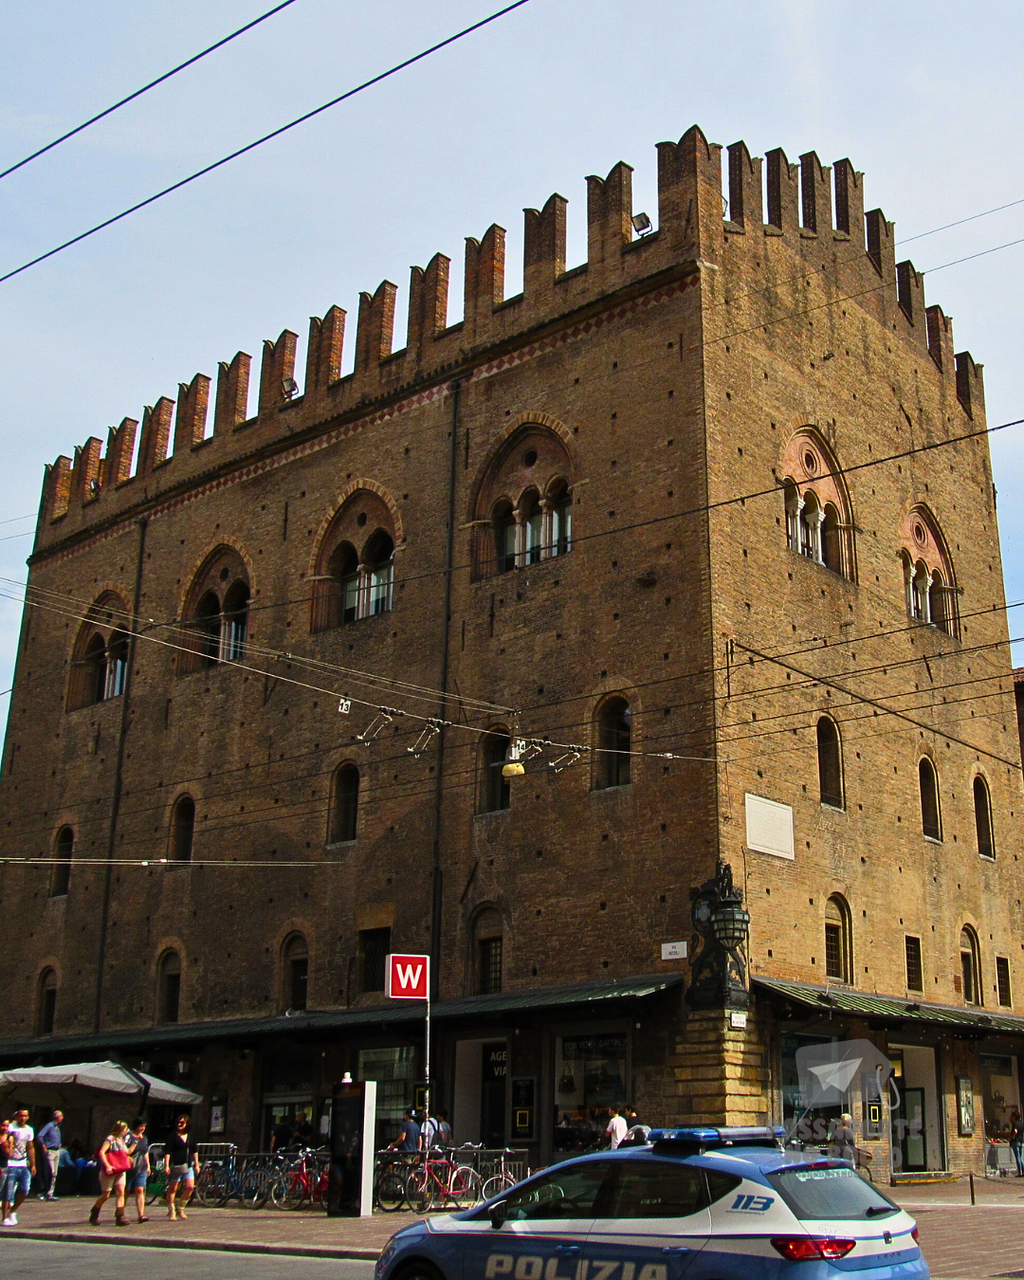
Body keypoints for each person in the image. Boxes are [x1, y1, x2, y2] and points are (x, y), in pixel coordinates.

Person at [89, 1121, 132, 1226]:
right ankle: (95, 1211)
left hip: (121, 1169)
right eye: (125, 1129)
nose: (126, 1131)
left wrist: (135, 1143)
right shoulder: (110, 1139)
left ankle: (120, 1216)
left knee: (120, 1191)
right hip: (111, 1168)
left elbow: (127, 1152)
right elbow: (101, 1152)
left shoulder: (122, 1140)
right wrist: (107, 1165)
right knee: (106, 1194)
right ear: (120, 1130)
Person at [2, 1108, 36, 1226]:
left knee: (25, 1189)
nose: (22, 1118)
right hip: (11, 1163)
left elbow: (30, 1147)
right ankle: (5, 1217)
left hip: (23, 1162)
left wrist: (33, 1164)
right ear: (17, 1117)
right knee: (8, 1191)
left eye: (25, 1116)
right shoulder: (11, 1127)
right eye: (20, 1116)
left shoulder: (29, 1130)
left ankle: (13, 1211)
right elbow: (4, 1139)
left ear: (27, 1117)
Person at [164, 1113, 198, 1221]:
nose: (179, 1124)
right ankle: (171, 1210)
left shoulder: (190, 1136)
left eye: (182, 1122)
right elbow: (168, 1152)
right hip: (176, 1165)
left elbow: (194, 1151)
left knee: (190, 1187)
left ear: (187, 1124)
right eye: (178, 1122)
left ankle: (181, 1207)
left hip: (187, 1165)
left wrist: (196, 1164)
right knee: (173, 1188)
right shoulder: (172, 1136)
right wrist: (166, 1166)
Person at [125, 1118, 151, 1222]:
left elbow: (145, 1152)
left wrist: (148, 1165)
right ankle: (120, 1212)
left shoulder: (144, 1138)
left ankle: (141, 1215)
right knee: (126, 1191)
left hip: (141, 1167)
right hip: (129, 1167)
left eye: (144, 1127)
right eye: (141, 1126)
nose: (142, 1129)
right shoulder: (128, 1136)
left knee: (140, 1189)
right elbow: (124, 1150)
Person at [36, 1109, 63, 1200]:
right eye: (61, 1116)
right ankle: (44, 1191)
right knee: (49, 1172)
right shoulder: (50, 1126)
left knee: (55, 1173)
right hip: (50, 1151)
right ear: (58, 1117)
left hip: (57, 1151)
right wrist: (44, 1146)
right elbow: (40, 1135)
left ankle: (50, 1193)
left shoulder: (58, 1127)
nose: (62, 1118)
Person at [1010, 1109, 1024, 1176]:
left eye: (1012, 1116)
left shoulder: (1015, 1123)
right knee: (1020, 1157)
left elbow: (1015, 1131)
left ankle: (1020, 1172)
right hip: (1021, 1141)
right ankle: (1023, 1171)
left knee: (1017, 1157)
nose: (1010, 1118)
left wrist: (1013, 1137)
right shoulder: (1021, 1123)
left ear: (1014, 1117)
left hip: (1016, 1141)